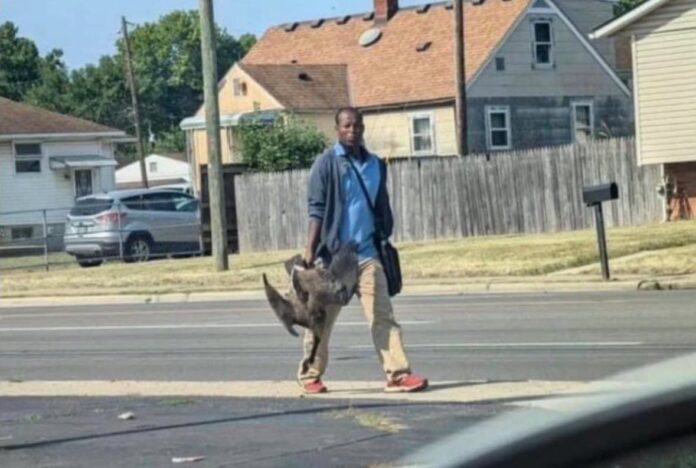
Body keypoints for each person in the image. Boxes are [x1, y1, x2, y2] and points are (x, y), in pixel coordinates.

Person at [298, 106, 428, 394]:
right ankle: (310, 376)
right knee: (321, 321)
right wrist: (310, 248)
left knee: (383, 315)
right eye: (346, 126)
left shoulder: (375, 165)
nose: (352, 131)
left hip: (368, 254)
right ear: (337, 129)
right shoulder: (326, 163)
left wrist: (384, 235)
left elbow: (381, 205)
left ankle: (398, 374)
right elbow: (316, 209)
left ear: (363, 128)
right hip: (333, 259)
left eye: (356, 126)